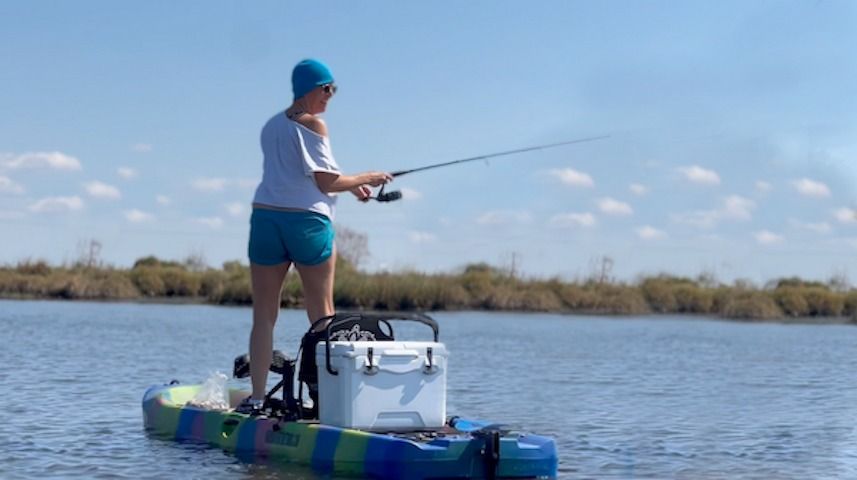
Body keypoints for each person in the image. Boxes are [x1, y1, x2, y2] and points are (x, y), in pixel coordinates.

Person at [236, 59, 392, 414]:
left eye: (333, 90)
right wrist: (367, 177)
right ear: (310, 88)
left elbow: (307, 173)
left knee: (263, 315)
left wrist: (351, 188)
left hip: (265, 220)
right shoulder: (315, 125)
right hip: (307, 224)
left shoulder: (271, 126)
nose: (330, 97)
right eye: (327, 89)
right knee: (322, 314)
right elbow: (325, 182)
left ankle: (257, 398)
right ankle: (332, 401)